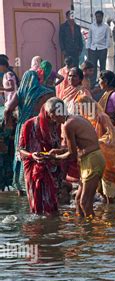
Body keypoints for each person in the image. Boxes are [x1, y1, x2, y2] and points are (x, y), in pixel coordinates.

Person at [49, 100, 106, 218]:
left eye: (51, 115)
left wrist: (55, 158)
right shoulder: (75, 118)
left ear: (56, 112)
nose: (52, 119)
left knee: (85, 203)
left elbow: (72, 154)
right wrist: (59, 151)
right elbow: (77, 147)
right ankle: (83, 232)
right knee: (78, 201)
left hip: (92, 161)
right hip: (90, 159)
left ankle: (92, 234)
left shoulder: (68, 125)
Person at [5, 70, 54, 195]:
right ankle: (37, 184)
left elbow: (7, 110)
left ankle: (21, 187)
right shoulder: (46, 92)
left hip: (22, 128)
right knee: (37, 154)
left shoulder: (20, 93)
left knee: (21, 155)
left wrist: (9, 125)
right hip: (39, 126)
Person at [76, 95, 115, 203]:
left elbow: (111, 135)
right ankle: (108, 209)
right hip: (94, 155)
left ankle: (113, 211)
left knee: (108, 187)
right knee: (99, 189)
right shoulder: (86, 119)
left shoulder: (102, 117)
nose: (80, 110)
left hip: (108, 154)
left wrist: (97, 142)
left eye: (81, 107)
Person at [18, 98, 63, 215]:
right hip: (33, 169)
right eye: (53, 114)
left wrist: (56, 155)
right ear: (47, 112)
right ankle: (38, 229)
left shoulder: (58, 125)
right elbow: (20, 150)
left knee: (53, 204)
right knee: (37, 206)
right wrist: (32, 155)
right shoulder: (29, 124)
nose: (55, 118)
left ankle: (52, 229)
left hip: (52, 168)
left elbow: (61, 146)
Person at [0, 57, 18, 191]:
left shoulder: (9, 74)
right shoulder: (7, 74)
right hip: (8, 108)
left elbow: (11, 87)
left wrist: (1, 87)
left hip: (10, 108)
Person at [86, 11, 111, 85]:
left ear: (102, 17)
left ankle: (102, 81)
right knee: (92, 66)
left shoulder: (106, 26)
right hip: (93, 48)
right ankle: (92, 82)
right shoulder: (92, 26)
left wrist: (106, 47)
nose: (98, 18)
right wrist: (88, 47)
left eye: (99, 16)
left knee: (102, 66)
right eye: (97, 17)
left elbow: (107, 38)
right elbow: (89, 37)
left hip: (102, 48)